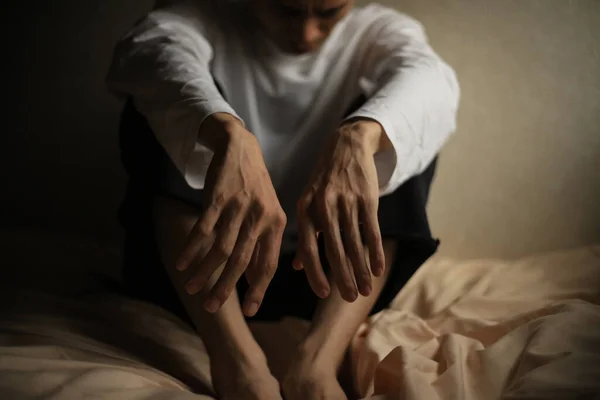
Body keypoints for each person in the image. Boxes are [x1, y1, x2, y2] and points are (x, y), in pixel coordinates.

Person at [107, 0, 459, 398]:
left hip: (324, 277)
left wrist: (360, 136)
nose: (307, 33)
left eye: (328, 13)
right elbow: (149, 52)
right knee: (159, 109)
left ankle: (317, 363)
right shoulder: (202, 17)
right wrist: (226, 134)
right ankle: (238, 360)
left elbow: (430, 82)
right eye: (288, 11)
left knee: (402, 121)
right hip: (200, 275)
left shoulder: (379, 32)